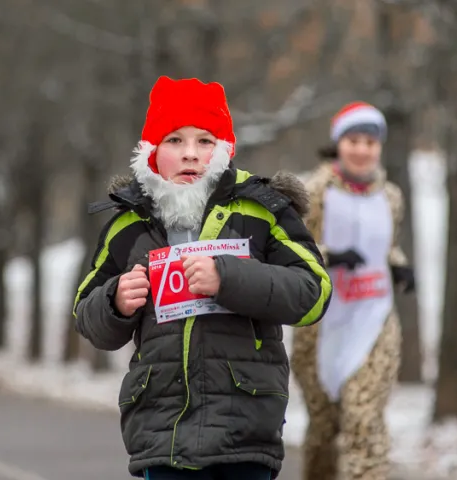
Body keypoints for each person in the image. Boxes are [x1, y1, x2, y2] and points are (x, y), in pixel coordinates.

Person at [72, 76, 332, 480]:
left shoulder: (262, 210)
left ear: (224, 148)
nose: (190, 154)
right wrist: (115, 301)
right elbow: (86, 314)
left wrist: (228, 278)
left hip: (245, 425)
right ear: (153, 151)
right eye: (175, 140)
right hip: (162, 428)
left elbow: (313, 294)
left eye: (205, 141)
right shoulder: (128, 223)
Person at [291, 101, 416, 480]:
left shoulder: (391, 195)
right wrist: (327, 255)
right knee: (324, 430)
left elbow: (385, 242)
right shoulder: (313, 192)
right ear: (338, 143)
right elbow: (288, 248)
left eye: (370, 142)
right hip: (320, 325)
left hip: (374, 319)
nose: (362, 150)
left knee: (365, 419)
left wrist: (398, 264)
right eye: (353, 140)